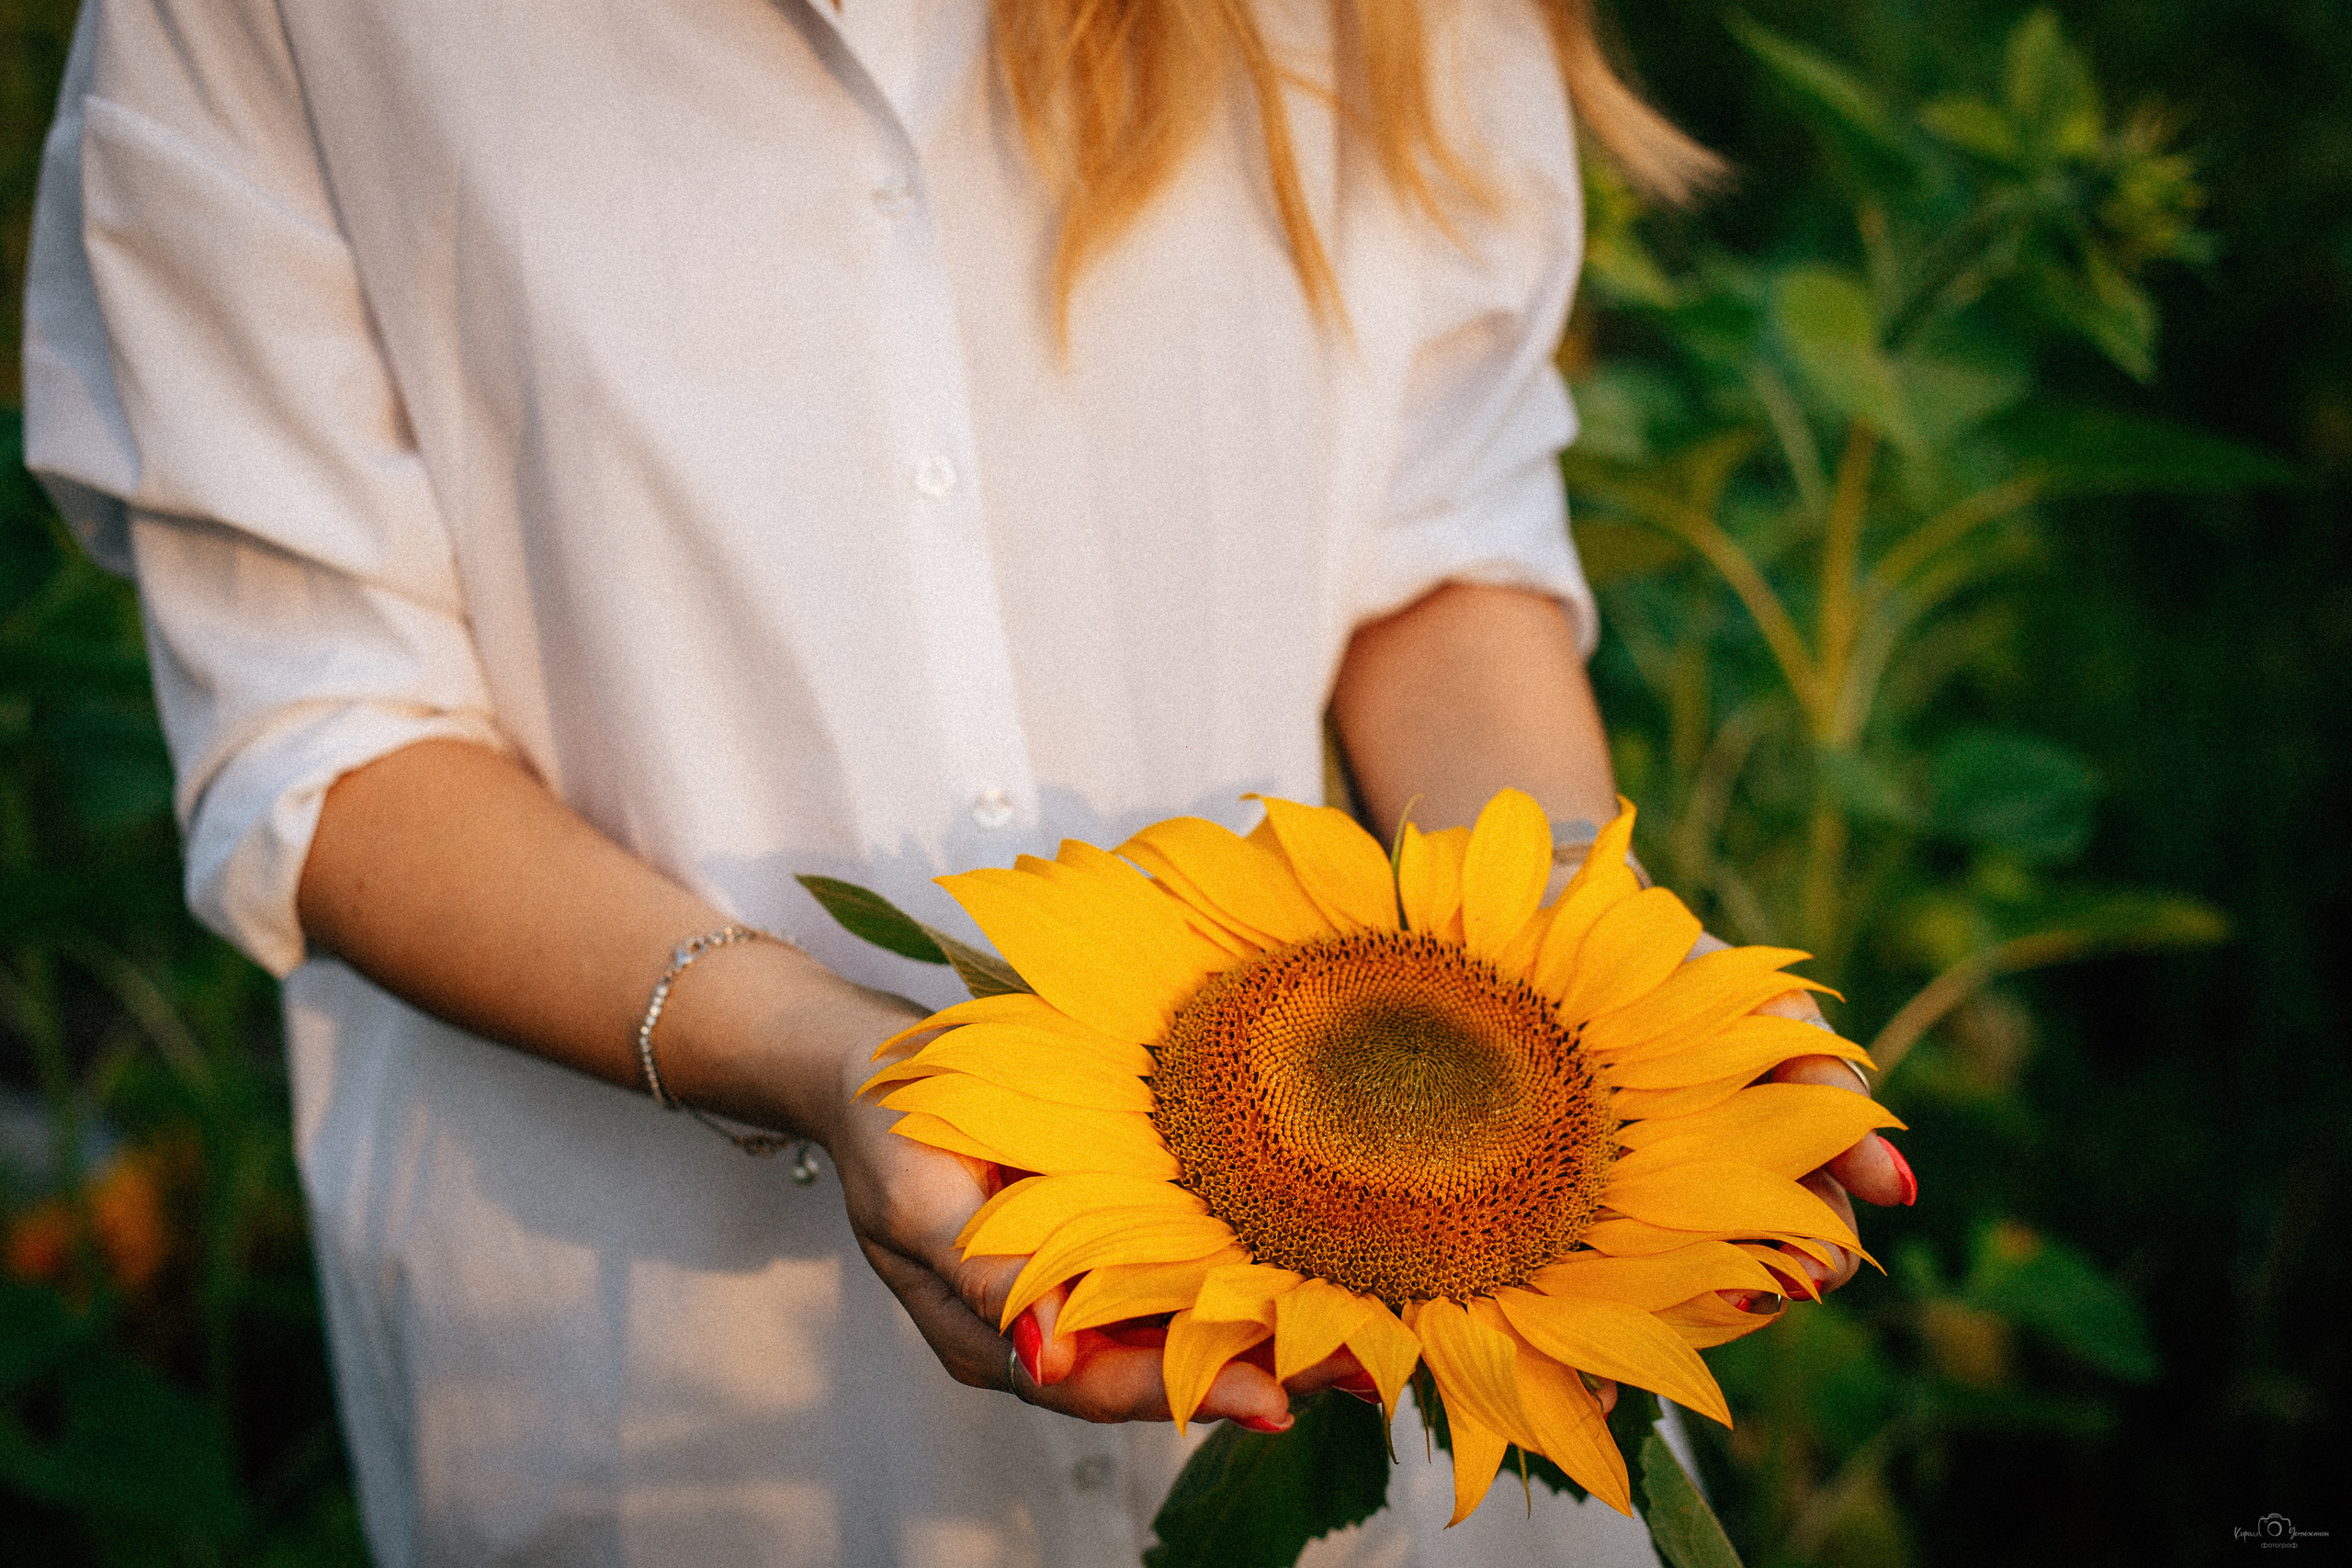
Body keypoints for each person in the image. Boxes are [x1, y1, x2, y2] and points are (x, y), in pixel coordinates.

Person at [23, 0, 1909, 1562]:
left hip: (1410, 1340)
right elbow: (324, 735)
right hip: (685, 1385)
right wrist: (813, 1047)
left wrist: (1607, 998)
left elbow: (1431, 543)